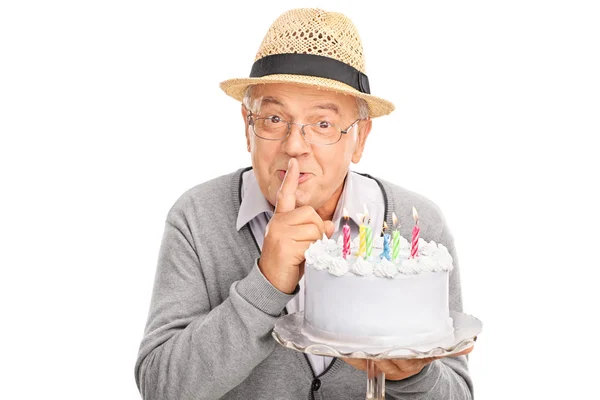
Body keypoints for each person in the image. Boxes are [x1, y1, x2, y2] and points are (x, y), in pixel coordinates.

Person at [134, 8, 474, 400]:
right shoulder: (197, 218)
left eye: (323, 124)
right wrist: (265, 284)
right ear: (248, 126)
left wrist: (409, 376)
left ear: (360, 137)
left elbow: (457, 394)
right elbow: (160, 388)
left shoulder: (419, 227)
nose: (294, 146)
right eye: (274, 118)